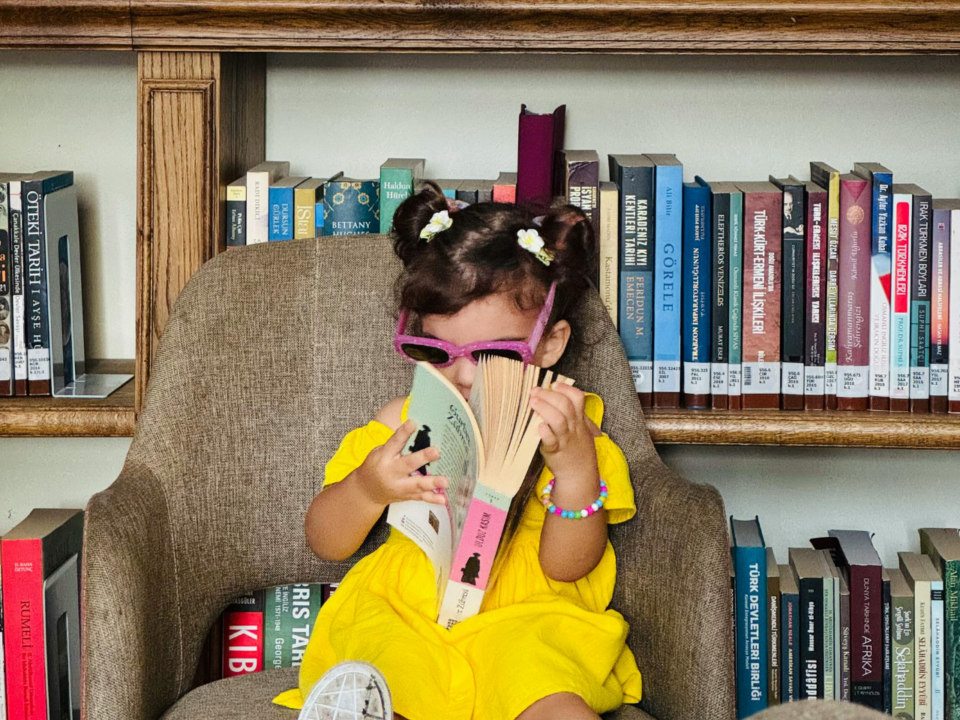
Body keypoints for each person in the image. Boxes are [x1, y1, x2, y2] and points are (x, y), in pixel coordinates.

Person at [274, 181, 642, 720]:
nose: (464, 376)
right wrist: (368, 489)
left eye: (494, 354)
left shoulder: (576, 434)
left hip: (523, 619)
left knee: (546, 687)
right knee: (391, 673)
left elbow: (569, 567)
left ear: (550, 344)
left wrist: (574, 470)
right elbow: (325, 542)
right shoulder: (398, 422)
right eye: (437, 352)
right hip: (409, 614)